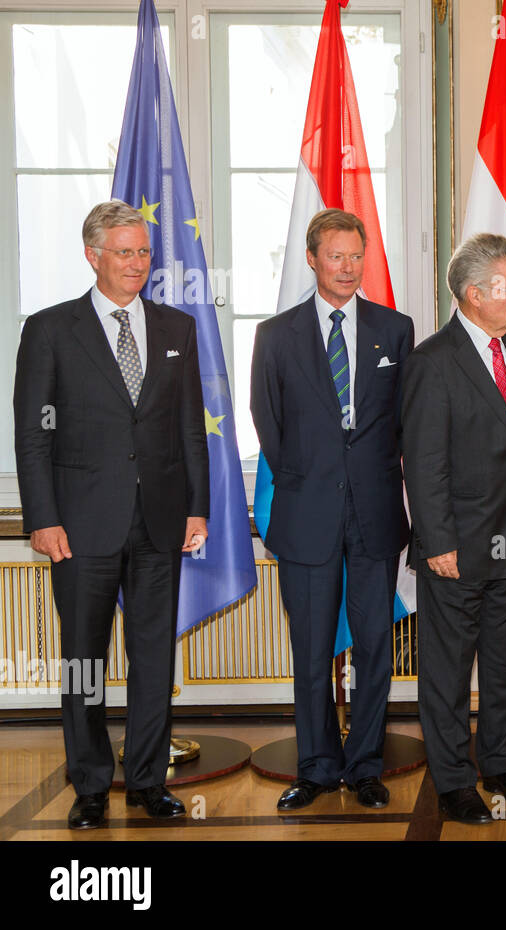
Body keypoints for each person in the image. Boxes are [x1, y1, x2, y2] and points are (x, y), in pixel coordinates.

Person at [13, 200, 209, 829]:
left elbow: (190, 432)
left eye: (144, 251)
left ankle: (149, 780)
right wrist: (42, 518)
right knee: (84, 660)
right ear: (92, 255)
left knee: (154, 659)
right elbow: (32, 436)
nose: (137, 263)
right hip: (80, 526)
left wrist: (197, 510)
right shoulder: (49, 330)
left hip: (159, 521)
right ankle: (91, 783)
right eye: (124, 252)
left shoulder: (176, 328)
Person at [250, 208, 413, 811]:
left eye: (356, 255)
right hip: (306, 513)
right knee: (313, 651)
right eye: (335, 256)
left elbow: (402, 421)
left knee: (374, 645)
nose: (347, 267)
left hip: (374, 513)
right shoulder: (276, 336)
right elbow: (269, 424)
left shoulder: (395, 330)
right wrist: (312, 476)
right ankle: (317, 766)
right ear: (313, 259)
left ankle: (365, 764)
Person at [401, 233, 506, 825]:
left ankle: (500, 764)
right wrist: (435, 542)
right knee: (447, 668)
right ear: (472, 294)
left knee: (504, 659)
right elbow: (424, 460)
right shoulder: (432, 362)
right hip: (456, 547)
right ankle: (454, 780)